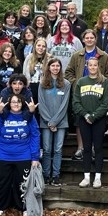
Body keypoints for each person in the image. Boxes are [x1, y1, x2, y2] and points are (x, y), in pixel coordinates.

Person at [0, 93, 41, 216]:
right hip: (3, 155)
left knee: (22, 184)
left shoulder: (28, 117)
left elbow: (35, 135)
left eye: (18, 102)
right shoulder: (2, 117)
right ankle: (0, 208)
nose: (16, 104)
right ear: (9, 104)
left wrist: (35, 157)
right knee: (2, 183)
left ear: (22, 104)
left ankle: (23, 208)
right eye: (13, 102)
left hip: (24, 155)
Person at [72, 57, 108, 189]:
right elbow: (76, 102)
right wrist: (85, 114)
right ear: (86, 66)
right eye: (90, 65)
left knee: (99, 148)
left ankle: (97, 177)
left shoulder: (104, 82)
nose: (92, 67)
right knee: (86, 148)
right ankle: (86, 177)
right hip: (84, 120)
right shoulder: (81, 82)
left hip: (99, 120)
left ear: (98, 66)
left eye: (95, 65)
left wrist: (94, 116)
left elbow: (106, 103)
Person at [38, 57, 70, 186]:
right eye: (53, 66)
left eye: (58, 66)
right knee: (46, 149)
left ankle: (56, 175)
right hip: (45, 122)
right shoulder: (42, 83)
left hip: (61, 122)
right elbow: (41, 104)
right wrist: (49, 122)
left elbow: (65, 105)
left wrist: (55, 122)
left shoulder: (66, 84)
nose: (55, 68)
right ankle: (46, 175)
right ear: (49, 67)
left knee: (58, 149)